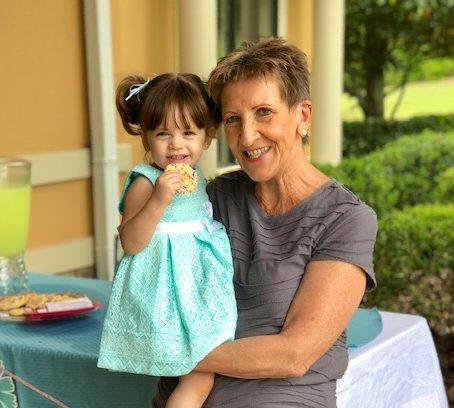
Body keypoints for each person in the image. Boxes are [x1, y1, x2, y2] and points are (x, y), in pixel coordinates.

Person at [152, 38, 378, 407]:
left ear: (302, 116)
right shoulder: (212, 198)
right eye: (232, 119)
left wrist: (169, 350)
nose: (247, 136)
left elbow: (293, 355)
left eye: (264, 112)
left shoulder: (345, 220)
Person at [97, 73, 237, 408]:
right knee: (200, 371)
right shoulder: (146, 181)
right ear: (145, 138)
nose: (176, 144)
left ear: (207, 137)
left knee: (205, 368)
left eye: (188, 132)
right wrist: (159, 200)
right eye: (163, 133)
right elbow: (130, 242)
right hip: (166, 289)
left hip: (197, 285)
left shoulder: (198, 175)